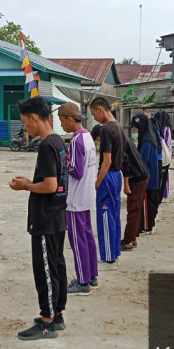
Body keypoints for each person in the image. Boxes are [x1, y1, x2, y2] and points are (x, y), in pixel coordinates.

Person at [9, 97, 68, 340]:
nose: (25, 127)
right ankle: (57, 315)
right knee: (56, 265)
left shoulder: (46, 145)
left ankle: (47, 321)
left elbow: (50, 185)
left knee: (45, 270)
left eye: (25, 122)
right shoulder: (58, 141)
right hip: (57, 215)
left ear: (34, 118)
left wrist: (25, 186)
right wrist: (31, 182)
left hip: (46, 218)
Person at [58, 103, 98, 296]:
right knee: (87, 236)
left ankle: (82, 282)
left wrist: (64, 164)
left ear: (69, 119)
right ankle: (91, 275)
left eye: (61, 121)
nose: (61, 125)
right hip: (87, 195)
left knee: (77, 240)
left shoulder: (75, 141)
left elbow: (77, 171)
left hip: (76, 199)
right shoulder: (88, 136)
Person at [89, 97, 125, 265]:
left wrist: (96, 183)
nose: (95, 118)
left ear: (100, 109)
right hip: (117, 175)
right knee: (115, 214)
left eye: (94, 114)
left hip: (108, 175)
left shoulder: (106, 130)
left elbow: (107, 161)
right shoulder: (119, 126)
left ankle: (108, 255)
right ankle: (115, 250)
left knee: (105, 215)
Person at [130, 113, 161, 234]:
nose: (135, 130)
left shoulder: (147, 141)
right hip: (149, 175)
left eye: (136, 127)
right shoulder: (148, 137)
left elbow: (143, 160)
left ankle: (147, 226)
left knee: (147, 202)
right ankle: (146, 225)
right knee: (148, 201)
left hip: (148, 177)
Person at [152, 111, 172, 199]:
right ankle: (165, 193)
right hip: (167, 153)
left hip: (162, 153)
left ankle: (162, 192)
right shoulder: (167, 128)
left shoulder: (161, 128)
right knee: (165, 175)